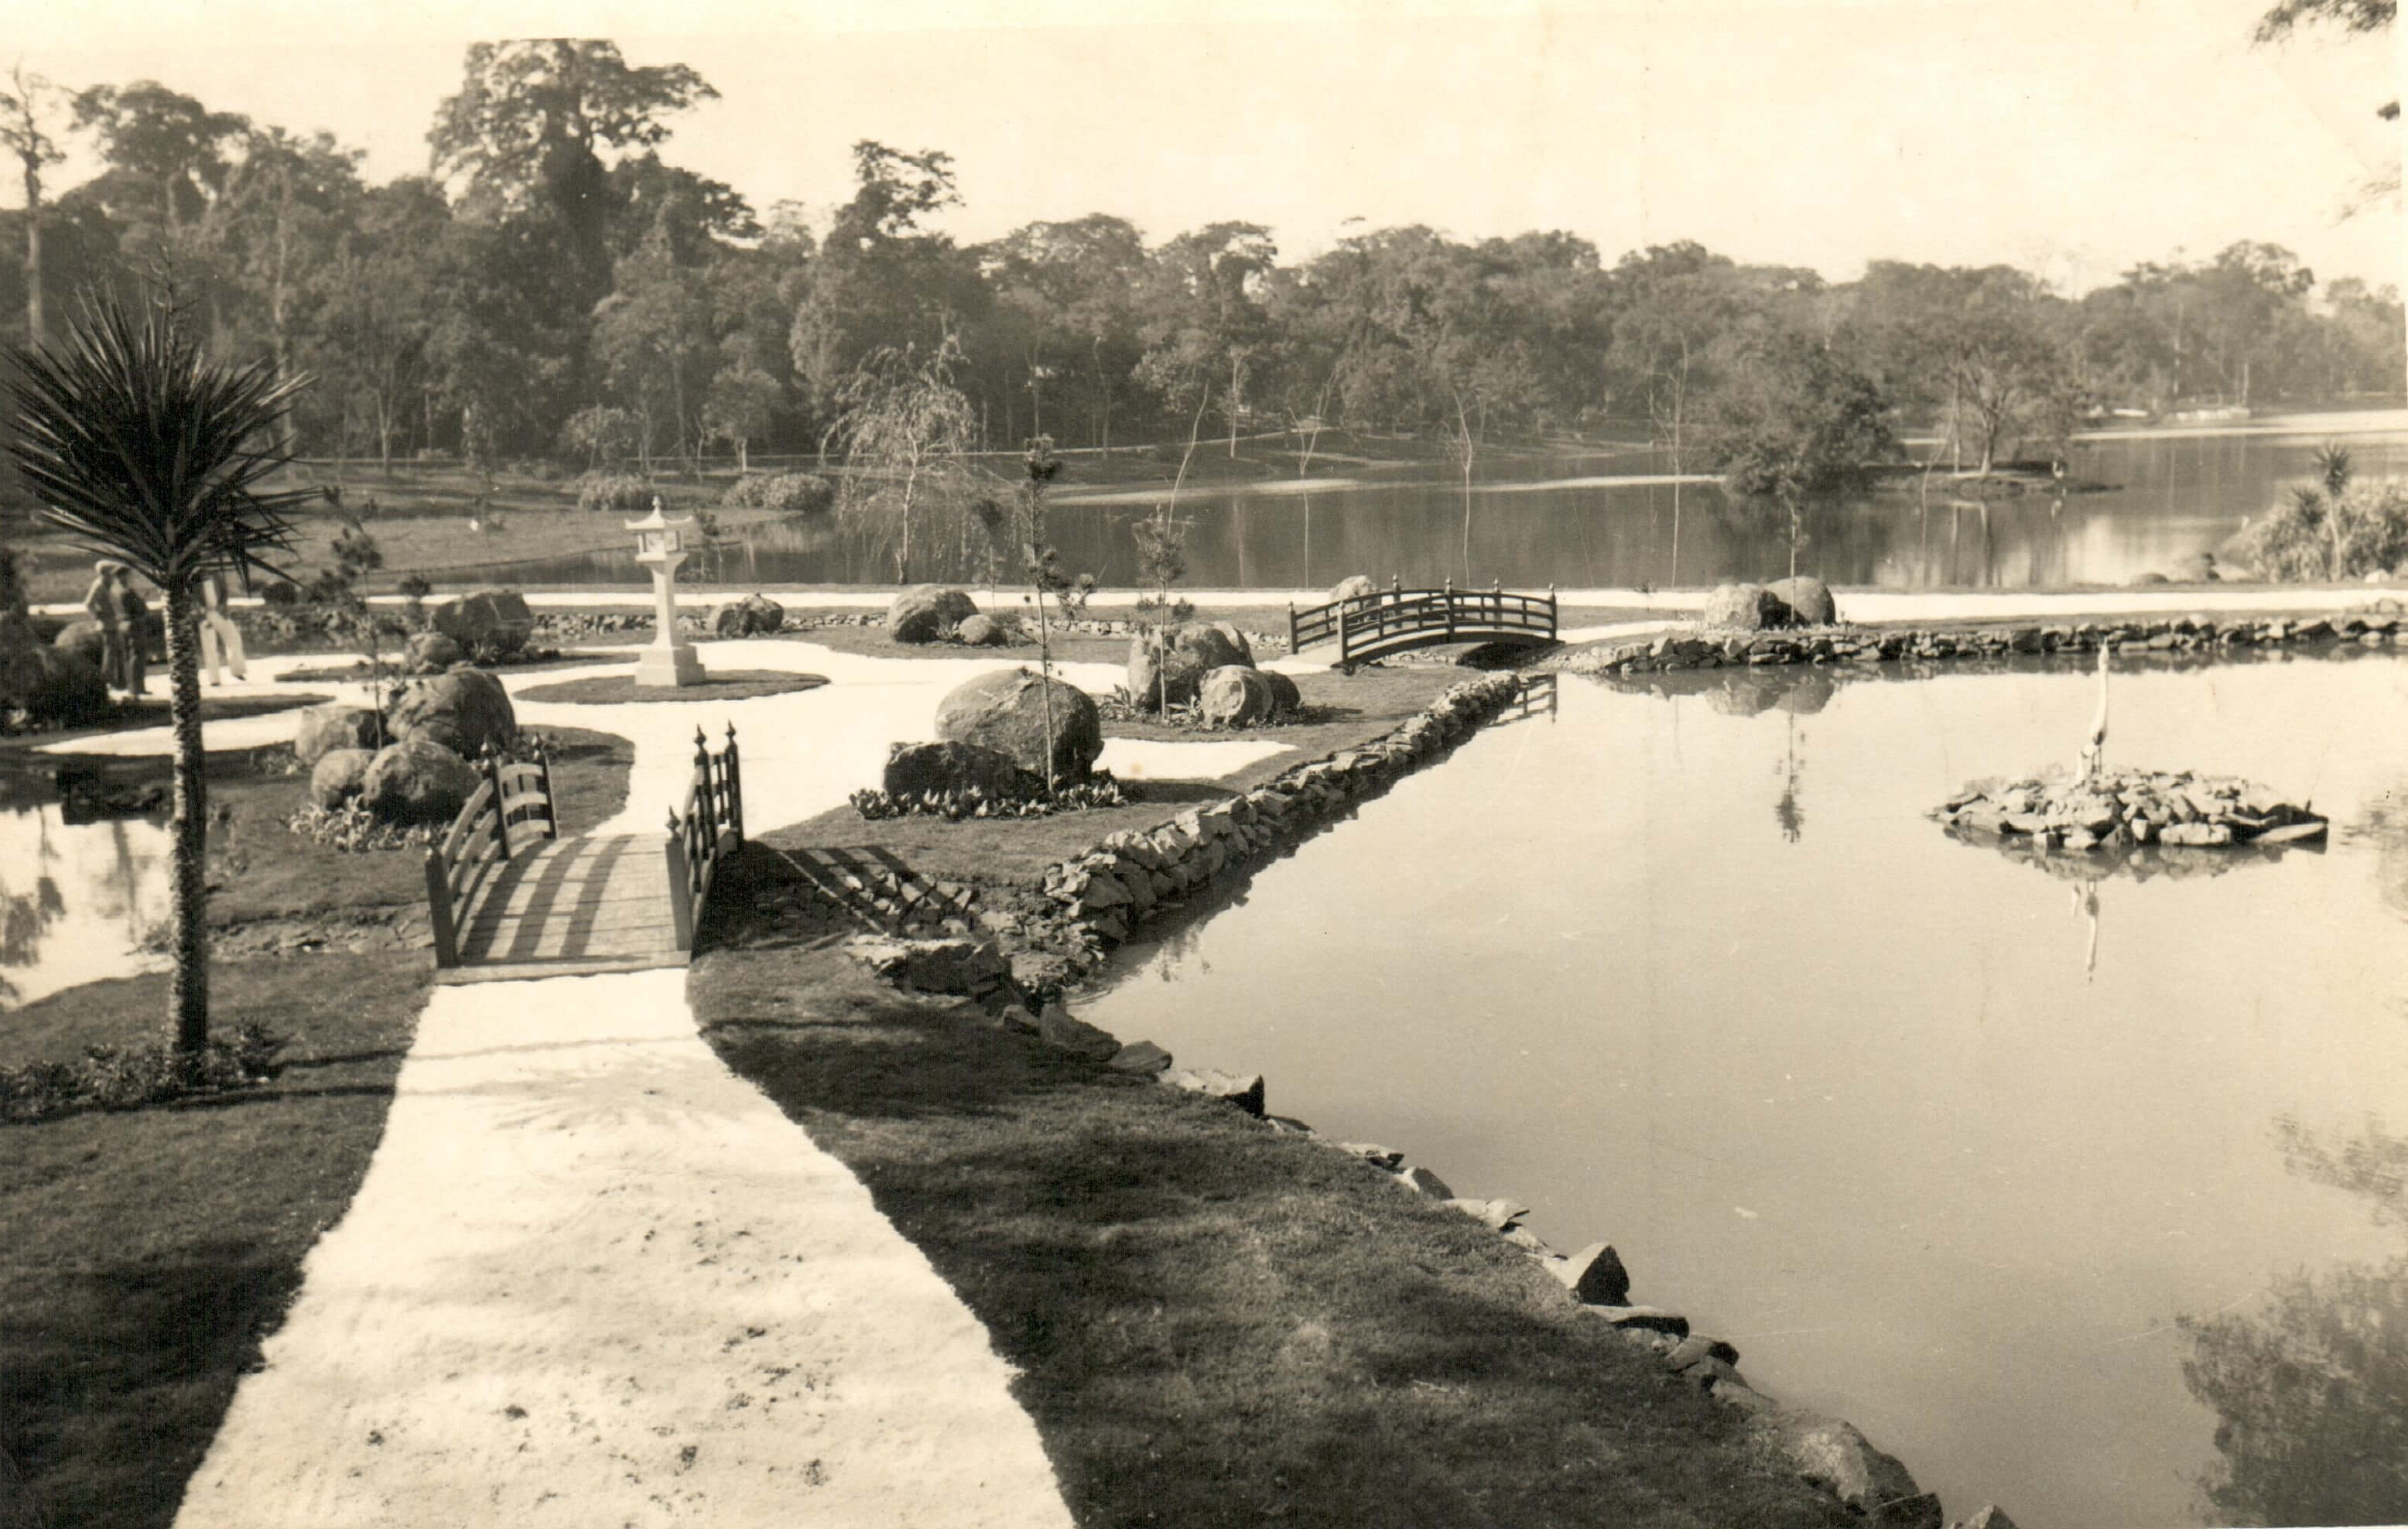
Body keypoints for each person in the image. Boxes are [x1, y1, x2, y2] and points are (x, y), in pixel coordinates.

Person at [82, 560, 129, 697]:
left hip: (114, 622)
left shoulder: (109, 585)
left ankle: (120, 682)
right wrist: (97, 616)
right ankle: (108, 683)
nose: (113, 575)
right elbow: (88, 604)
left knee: (118, 652)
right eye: (110, 572)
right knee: (110, 654)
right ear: (104, 573)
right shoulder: (98, 586)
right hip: (107, 624)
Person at [200, 569, 248, 685]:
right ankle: (214, 679)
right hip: (205, 614)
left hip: (219, 612)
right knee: (210, 646)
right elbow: (193, 598)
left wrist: (222, 606)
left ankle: (237, 670)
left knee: (234, 638)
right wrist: (202, 613)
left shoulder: (216, 575)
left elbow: (224, 592)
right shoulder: (194, 579)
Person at [115, 570, 148, 699]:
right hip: (134, 625)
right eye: (129, 576)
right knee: (137, 656)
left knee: (128, 657)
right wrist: (142, 601)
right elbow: (141, 609)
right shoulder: (129, 593)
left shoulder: (115, 592)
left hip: (123, 625)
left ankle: (132, 687)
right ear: (125, 577)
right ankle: (137, 688)